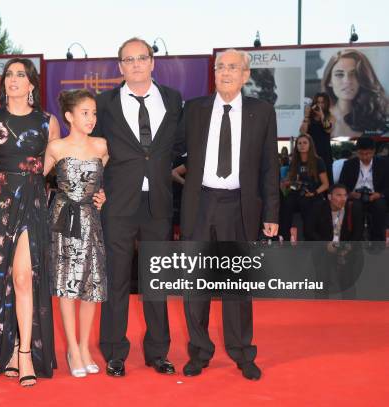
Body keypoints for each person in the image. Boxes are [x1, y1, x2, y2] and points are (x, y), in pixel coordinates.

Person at [180, 49, 279, 380]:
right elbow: (171, 151)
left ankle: (242, 352)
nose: (224, 71)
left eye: (232, 67)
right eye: (220, 66)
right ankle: (200, 351)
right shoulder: (194, 109)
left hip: (240, 206)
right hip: (200, 204)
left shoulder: (262, 112)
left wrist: (272, 212)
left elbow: (270, 166)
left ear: (245, 75)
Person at [0, 58, 59, 387]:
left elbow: (51, 169)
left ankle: (25, 353)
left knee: (22, 277)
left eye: (21, 75)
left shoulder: (49, 122)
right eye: (9, 75)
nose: (14, 79)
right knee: (1, 278)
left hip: (32, 204)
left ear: (32, 84)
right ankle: (7, 347)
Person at [92, 37, 183, 377]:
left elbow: (183, 145)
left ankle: (158, 352)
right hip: (117, 202)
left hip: (158, 201)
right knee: (115, 279)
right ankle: (114, 351)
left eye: (141, 58)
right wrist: (93, 190)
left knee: (156, 280)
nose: (135, 65)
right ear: (120, 67)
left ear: (152, 62)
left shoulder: (173, 100)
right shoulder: (105, 103)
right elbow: (92, 149)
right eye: (128, 60)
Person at [44, 89, 108, 378]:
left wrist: (103, 195)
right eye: (85, 113)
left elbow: (102, 183)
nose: (91, 118)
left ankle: (84, 346)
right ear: (69, 116)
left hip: (91, 220)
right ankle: (71, 347)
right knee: (67, 286)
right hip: (64, 222)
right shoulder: (55, 148)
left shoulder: (101, 146)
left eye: (93, 112)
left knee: (91, 288)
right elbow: (35, 178)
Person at [321, 49, 388, 139]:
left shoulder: (380, 117)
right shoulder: (318, 118)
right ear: (329, 81)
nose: (347, 81)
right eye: (339, 74)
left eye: (354, 74)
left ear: (364, 78)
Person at [279, 134, 330, 241]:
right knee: (286, 202)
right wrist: (287, 183)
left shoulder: (318, 161)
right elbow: (291, 183)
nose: (302, 145)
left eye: (305, 143)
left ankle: (310, 236)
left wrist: (314, 193)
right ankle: (284, 237)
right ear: (296, 146)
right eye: (299, 143)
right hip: (296, 193)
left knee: (306, 203)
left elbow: (326, 184)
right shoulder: (294, 161)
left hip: (312, 194)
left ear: (310, 145)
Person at [338, 137, 388, 241]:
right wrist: (350, 193)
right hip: (355, 196)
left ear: (374, 151)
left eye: (368, 153)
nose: (365, 157)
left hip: (376, 196)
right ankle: (356, 238)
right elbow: (341, 185)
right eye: (361, 154)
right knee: (355, 207)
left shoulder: (384, 164)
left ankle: (377, 239)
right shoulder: (349, 164)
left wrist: (379, 194)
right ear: (356, 152)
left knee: (380, 205)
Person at [300, 92, 335, 182]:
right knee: (311, 178)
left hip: (324, 151)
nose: (320, 105)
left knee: (326, 177)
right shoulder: (310, 118)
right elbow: (302, 132)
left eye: (322, 102)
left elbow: (328, 129)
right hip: (311, 151)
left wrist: (322, 116)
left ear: (326, 104)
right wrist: (307, 116)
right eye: (318, 102)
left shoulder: (330, 116)